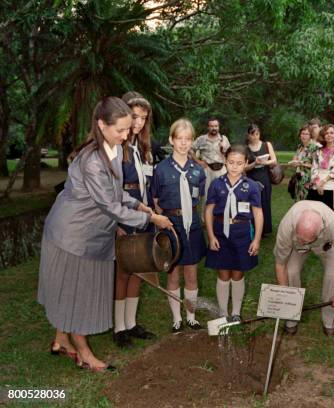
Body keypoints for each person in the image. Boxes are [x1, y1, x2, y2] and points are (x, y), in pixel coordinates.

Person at [37, 97, 172, 372]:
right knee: (78, 292)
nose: (126, 135)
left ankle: (61, 339)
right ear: (101, 124)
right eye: (121, 130)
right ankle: (84, 352)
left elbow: (115, 193)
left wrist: (137, 203)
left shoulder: (110, 150)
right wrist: (150, 217)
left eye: (128, 129)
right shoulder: (93, 160)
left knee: (68, 289)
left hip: (85, 234)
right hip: (73, 237)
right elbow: (109, 206)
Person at [152, 118, 207, 333]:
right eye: (179, 139)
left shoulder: (198, 171)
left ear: (192, 141)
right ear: (171, 140)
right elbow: (155, 199)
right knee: (173, 272)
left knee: (191, 273)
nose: (183, 143)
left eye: (187, 139)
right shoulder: (161, 169)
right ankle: (176, 319)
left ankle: (191, 316)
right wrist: (162, 222)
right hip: (171, 224)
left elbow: (199, 198)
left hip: (191, 224)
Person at [112, 92, 157, 348]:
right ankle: (119, 328)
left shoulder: (141, 147)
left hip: (143, 217)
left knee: (139, 269)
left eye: (143, 117)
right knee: (123, 272)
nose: (138, 122)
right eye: (135, 116)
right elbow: (112, 190)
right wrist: (116, 224)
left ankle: (131, 323)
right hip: (124, 218)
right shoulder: (117, 148)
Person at [274, 200, 334, 336]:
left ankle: (329, 320)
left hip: (325, 245)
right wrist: (285, 296)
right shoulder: (286, 226)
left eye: (306, 240)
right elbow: (280, 264)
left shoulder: (333, 225)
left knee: (333, 275)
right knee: (291, 271)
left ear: (320, 230)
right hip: (296, 248)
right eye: (300, 237)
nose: (302, 242)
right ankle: (291, 317)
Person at [205, 145, 264, 321]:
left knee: (238, 273)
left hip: (242, 232)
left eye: (239, 163)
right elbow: (208, 211)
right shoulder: (216, 184)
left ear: (246, 163)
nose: (234, 166)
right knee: (223, 273)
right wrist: (211, 236)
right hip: (220, 232)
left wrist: (257, 239)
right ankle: (223, 312)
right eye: (231, 162)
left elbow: (258, 213)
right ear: (225, 161)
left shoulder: (251, 186)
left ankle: (236, 313)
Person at [192, 117, 231, 210]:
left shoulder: (224, 138)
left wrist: (224, 150)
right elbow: (190, 150)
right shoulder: (202, 139)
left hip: (222, 170)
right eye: (212, 126)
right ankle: (206, 221)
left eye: (216, 126)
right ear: (208, 127)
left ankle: (221, 218)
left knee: (224, 193)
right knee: (206, 196)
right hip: (207, 170)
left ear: (219, 127)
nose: (214, 128)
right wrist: (198, 162)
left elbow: (230, 154)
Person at [245, 124, 277, 235]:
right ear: (248, 135)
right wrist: (254, 163)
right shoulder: (246, 148)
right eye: (252, 134)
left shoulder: (266, 145)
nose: (255, 137)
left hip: (264, 177)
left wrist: (264, 162)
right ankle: (253, 227)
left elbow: (274, 160)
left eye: (257, 134)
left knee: (264, 202)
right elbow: (244, 167)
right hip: (251, 179)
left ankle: (265, 229)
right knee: (253, 203)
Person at [306, 124, 334, 210]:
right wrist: (317, 183)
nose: (329, 135)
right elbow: (314, 168)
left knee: (333, 213)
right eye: (326, 133)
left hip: (332, 183)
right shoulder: (317, 151)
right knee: (316, 212)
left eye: (331, 133)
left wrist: (323, 181)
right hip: (317, 184)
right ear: (323, 136)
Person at [289, 125, 320, 201]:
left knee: (308, 205)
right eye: (302, 133)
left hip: (309, 181)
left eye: (306, 134)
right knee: (298, 204)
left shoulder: (314, 147)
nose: (304, 136)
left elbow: (317, 165)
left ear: (310, 135)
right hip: (298, 180)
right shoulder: (300, 147)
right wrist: (293, 163)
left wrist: (302, 164)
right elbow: (295, 159)